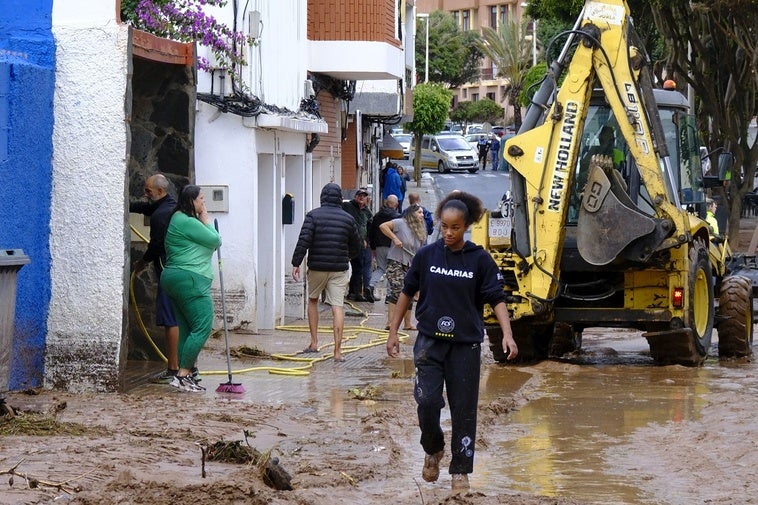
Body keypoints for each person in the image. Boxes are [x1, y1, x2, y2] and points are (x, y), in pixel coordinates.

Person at [386, 191, 518, 492]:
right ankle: (433, 449)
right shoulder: (427, 255)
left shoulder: (480, 260)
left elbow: (496, 299)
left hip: (465, 346)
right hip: (429, 343)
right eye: (444, 226)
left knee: (464, 409)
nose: (448, 232)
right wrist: (393, 332)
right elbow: (406, 292)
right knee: (427, 401)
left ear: (466, 226)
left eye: (455, 227)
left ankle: (460, 470)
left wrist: (507, 334)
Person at [160, 185, 221, 393]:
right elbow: (215, 240)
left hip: (174, 277)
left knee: (186, 329)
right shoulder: (186, 221)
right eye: (201, 199)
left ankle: (188, 374)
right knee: (203, 326)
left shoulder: (179, 218)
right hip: (190, 278)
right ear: (191, 201)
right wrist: (205, 219)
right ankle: (183, 374)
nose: (204, 202)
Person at [291, 183, 361, 362]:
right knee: (337, 306)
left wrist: (296, 263)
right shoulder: (348, 219)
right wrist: (346, 257)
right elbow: (356, 246)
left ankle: (314, 343)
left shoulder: (313, 216)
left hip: (317, 268)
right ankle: (338, 352)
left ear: (322, 197)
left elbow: (303, 241)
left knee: (313, 300)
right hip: (339, 269)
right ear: (339, 198)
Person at [129, 174, 184, 384]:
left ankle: (173, 370)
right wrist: (128, 206)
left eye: (148, 191)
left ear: (160, 192)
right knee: (181, 318)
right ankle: (188, 368)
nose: (145, 193)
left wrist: (143, 263)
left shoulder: (161, 215)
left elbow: (156, 246)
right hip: (183, 270)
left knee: (170, 320)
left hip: (167, 270)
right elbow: (147, 208)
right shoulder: (171, 207)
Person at [380, 204, 427, 331]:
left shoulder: (420, 229)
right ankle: (390, 322)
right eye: (419, 212)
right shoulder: (400, 223)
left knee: (410, 291)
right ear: (412, 214)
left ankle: (407, 323)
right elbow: (383, 226)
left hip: (411, 264)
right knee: (398, 290)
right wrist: (395, 238)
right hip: (396, 261)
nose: (422, 215)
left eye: (422, 213)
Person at [343, 188, 374, 302]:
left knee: (359, 268)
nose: (361, 197)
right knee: (355, 267)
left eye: (364, 196)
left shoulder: (367, 212)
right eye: (359, 195)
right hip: (348, 242)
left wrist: (367, 240)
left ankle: (355, 292)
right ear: (355, 197)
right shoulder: (347, 207)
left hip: (361, 245)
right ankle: (355, 292)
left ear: (366, 199)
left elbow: (371, 227)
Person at [368, 194, 400, 302]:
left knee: (380, 268)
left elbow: (371, 232)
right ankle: (389, 295)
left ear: (386, 203)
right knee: (392, 270)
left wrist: (373, 247)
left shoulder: (377, 216)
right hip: (393, 246)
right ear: (396, 205)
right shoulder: (397, 217)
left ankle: (370, 286)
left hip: (379, 246)